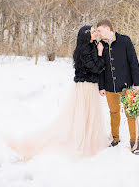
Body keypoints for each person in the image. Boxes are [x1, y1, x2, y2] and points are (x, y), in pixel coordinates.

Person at [6, 25, 111, 161]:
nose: (95, 33)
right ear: (86, 36)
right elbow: (96, 68)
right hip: (85, 87)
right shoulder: (85, 50)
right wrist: (101, 53)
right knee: (84, 113)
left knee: (89, 114)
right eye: (92, 32)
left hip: (90, 86)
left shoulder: (90, 46)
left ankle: (89, 139)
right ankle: (83, 141)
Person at [97, 19, 139, 155]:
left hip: (127, 86)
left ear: (107, 28)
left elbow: (134, 62)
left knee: (131, 114)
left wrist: (138, 83)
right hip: (110, 87)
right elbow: (100, 68)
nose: (98, 33)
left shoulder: (125, 41)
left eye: (99, 30)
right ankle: (115, 139)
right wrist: (101, 86)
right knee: (114, 113)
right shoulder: (100, 45)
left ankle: (135, 142)